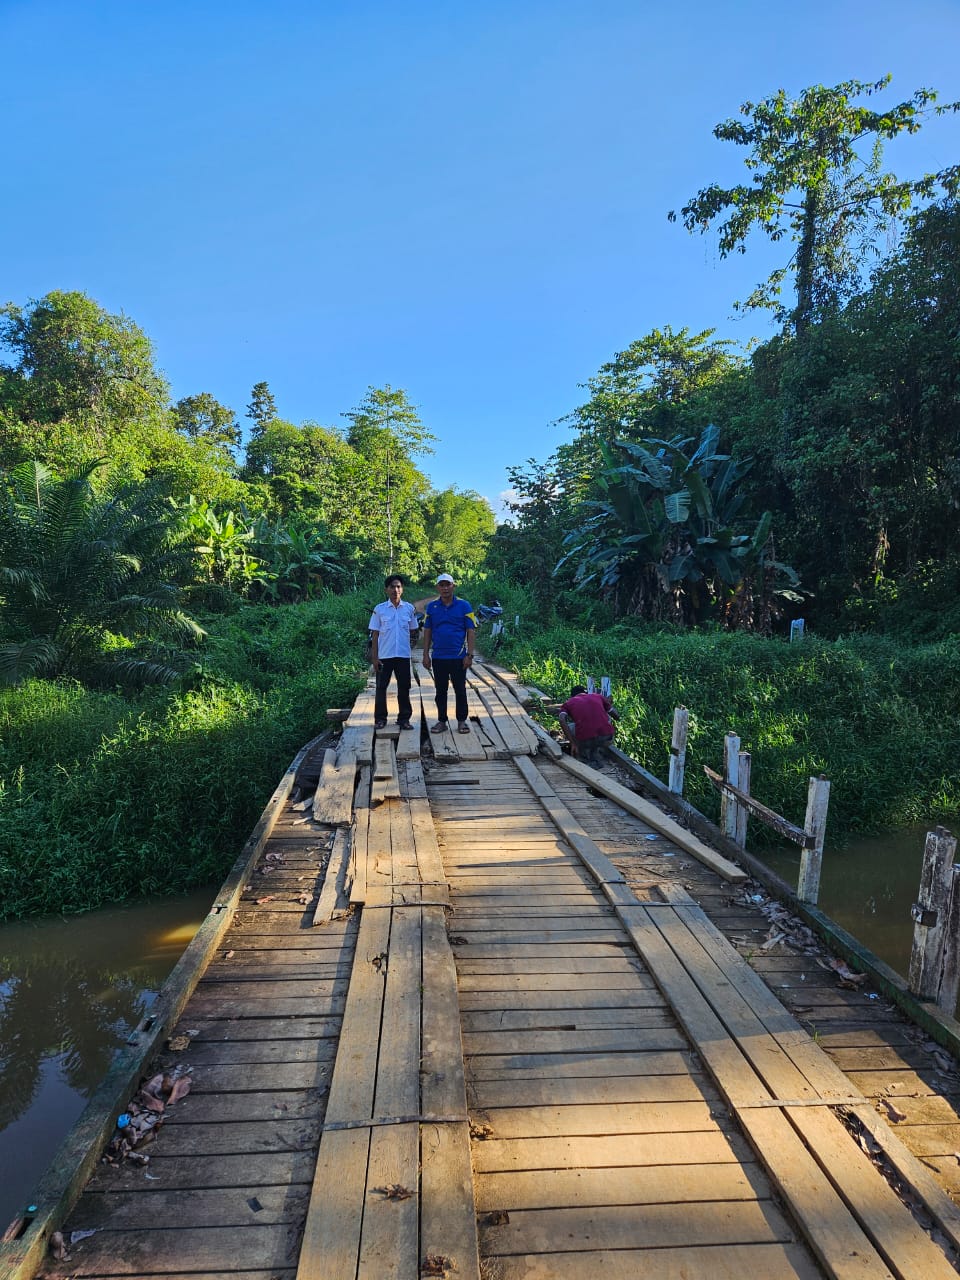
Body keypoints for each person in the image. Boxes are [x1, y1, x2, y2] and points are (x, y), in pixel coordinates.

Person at [422, 573, 476, 734]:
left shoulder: (464, 606)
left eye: (448, 585)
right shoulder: (432, 607)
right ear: (437, 587)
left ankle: (461, 721)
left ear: (453, 586)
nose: (445, 588)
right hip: (439, 657)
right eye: (442, 585)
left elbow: (470, 631)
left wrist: (470, 655)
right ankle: (441, 721)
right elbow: (427, 631)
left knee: (460, 689)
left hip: (459, 657)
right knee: (440, 691)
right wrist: (425, 654)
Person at [368, 574, 421, 730]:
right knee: (381, 687)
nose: (395, 590)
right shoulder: (379, 610)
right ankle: (380, 719)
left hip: (403, 656)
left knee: (404, 687)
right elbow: (375, 635)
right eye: (392, 587)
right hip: (384, 656)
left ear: (402, 589)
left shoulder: (409, 609)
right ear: (386, 590)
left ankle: (404, 719)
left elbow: (413, 631)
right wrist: (375, 658)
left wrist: (409, 648)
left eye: (398, 586)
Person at [558, 684, 619, 764]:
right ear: (585, 692)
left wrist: (572, 743)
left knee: (570, 726)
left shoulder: (568, 703)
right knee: (607, 716)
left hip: (585, 740)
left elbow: (562, 719)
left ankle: (579, 747)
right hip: (606, 738)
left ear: (572, 696)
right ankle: (599, 748)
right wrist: (609, 704)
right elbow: (617, 716)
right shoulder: (598, 697)